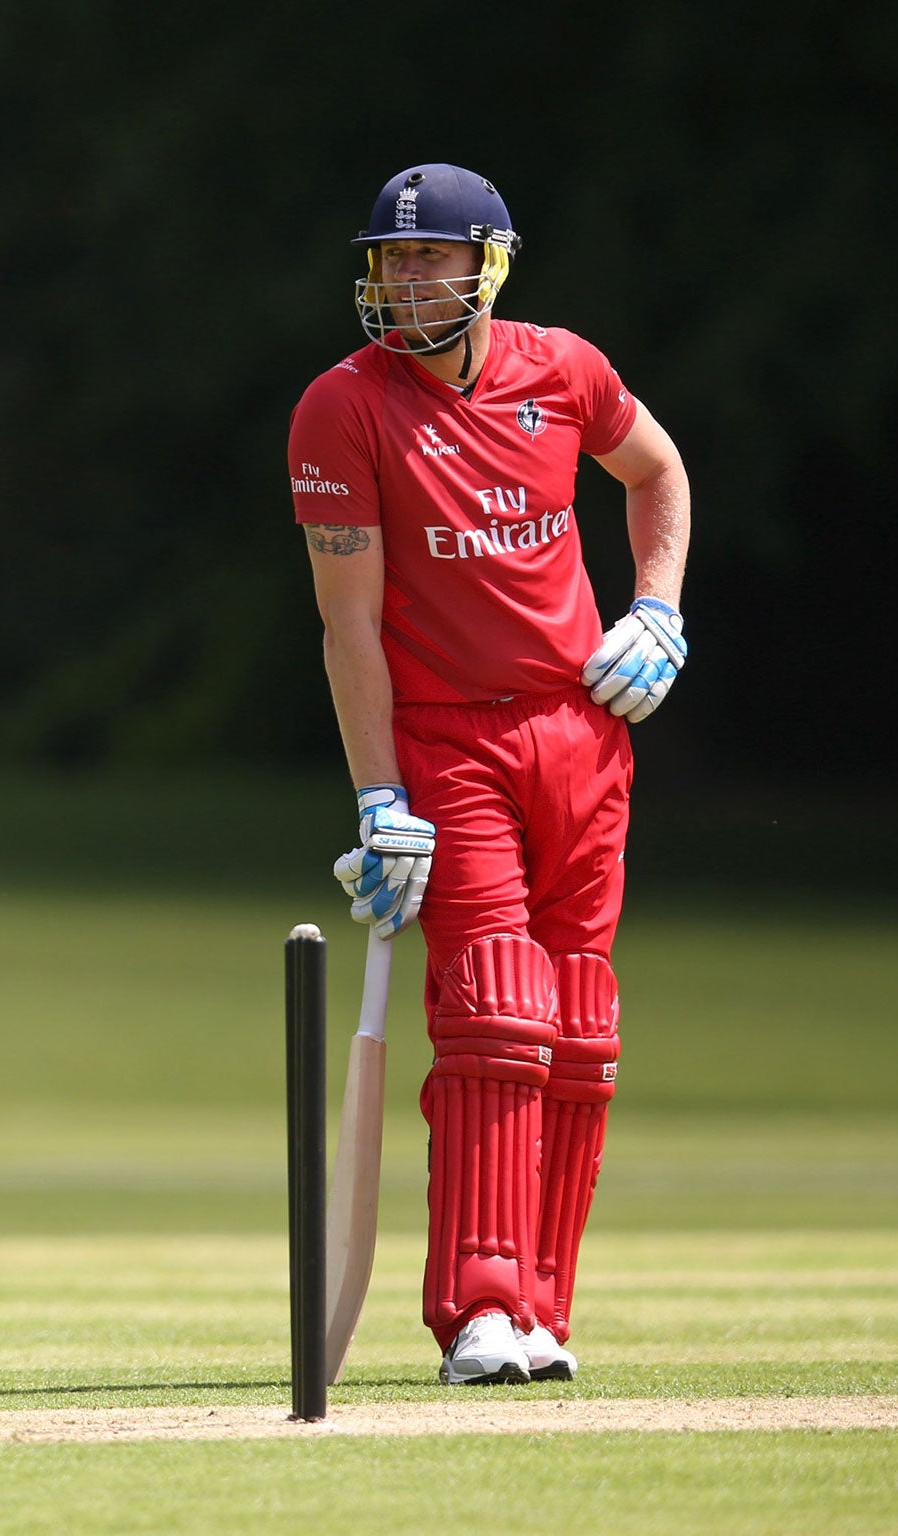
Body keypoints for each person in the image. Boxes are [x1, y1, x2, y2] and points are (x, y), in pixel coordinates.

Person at [286, 164, 691, 1385]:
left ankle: (543, 1313)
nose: (405, 282)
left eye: (429, 260)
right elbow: (347, 626)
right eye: (388, 262)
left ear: (487, 265)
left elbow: (657, 473)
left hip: (582, 731)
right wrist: (377, 797)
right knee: (491, 1007)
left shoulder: (560, 369)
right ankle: (476, 1306)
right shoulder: (340, 409)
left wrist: (658, 612)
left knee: (576, 1023)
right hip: (447, 739)